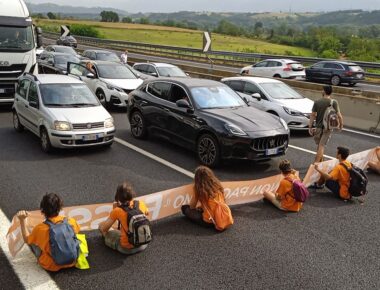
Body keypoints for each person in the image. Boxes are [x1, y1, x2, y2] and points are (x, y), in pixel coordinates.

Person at [16, 193, 80, 272]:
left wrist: (22, 220)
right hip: (72, 261)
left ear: (42, 211)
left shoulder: (40, 228)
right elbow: (76, 232)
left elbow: (26, 239)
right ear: (60, 208)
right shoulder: (70, 221)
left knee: (32, 240)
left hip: (50, 265)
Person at [99, 182, 149, 254]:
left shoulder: (118, 210)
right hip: (143, 244)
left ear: (118, 197)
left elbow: (104, 228)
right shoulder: (140, 203)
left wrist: (114, 210)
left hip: (126, 249)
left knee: (101, 225)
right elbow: (147, 214)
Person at [308, 85, 343, 163]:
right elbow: (339, 115)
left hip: (318, 127)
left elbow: (313, 115)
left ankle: (319, 162)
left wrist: (310, 126)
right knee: (321, 145)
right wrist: (341, 125)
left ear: (324, 91)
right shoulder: (333, 102)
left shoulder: (317, 102)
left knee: (320, 145)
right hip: (328, 128)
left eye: (322, 90)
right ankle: (316, 164)